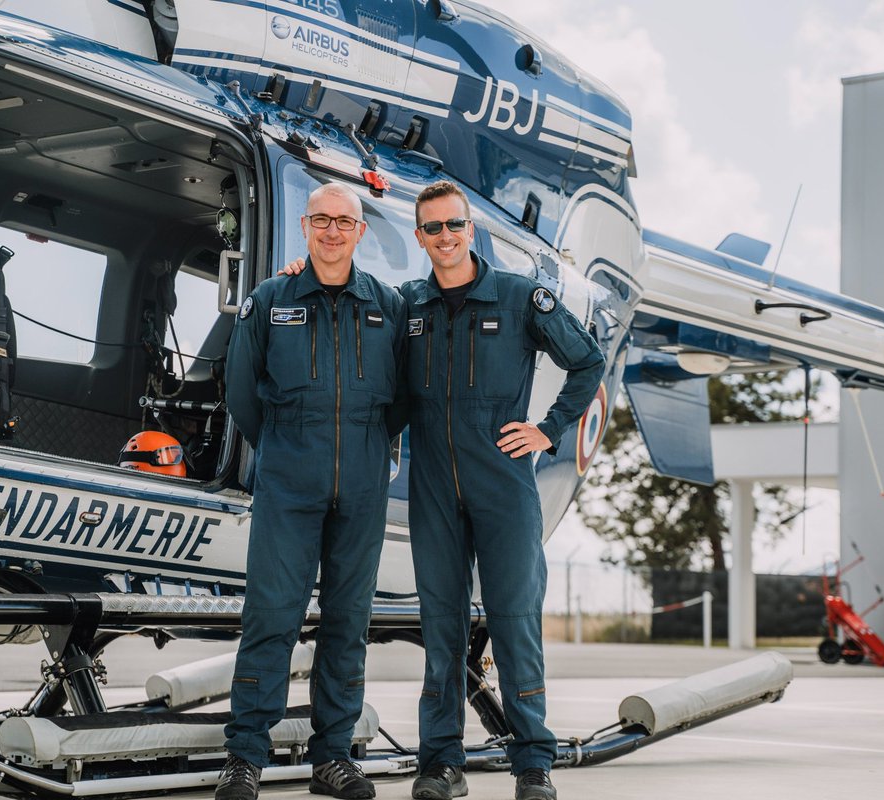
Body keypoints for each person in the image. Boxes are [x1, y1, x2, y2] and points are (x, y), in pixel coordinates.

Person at [402, 181, 604, 800]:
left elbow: (587, 360)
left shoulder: (520, 297)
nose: (445, 237)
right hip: (433, 485)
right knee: (442, 628)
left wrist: (546, 430)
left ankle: (532, 763)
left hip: (505, 486)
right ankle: (440, 764)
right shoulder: (408, 305)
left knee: (515, 622)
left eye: (454, 225)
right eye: (432, 228)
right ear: (420, 236)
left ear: (471, 228)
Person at [219, 182, 407, 800]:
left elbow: (403, 396)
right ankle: (245, 756)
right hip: (288, 480)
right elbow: (242, 392)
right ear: (304, 226)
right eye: (320, 220)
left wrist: (371, 445)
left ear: (359, 233)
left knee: (348, 622)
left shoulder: (388, 306)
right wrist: (283, 447)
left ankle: (333, 756)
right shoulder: (270, 301)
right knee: (271, 616)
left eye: (344, 222)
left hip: (361, 485)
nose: (332, 231)